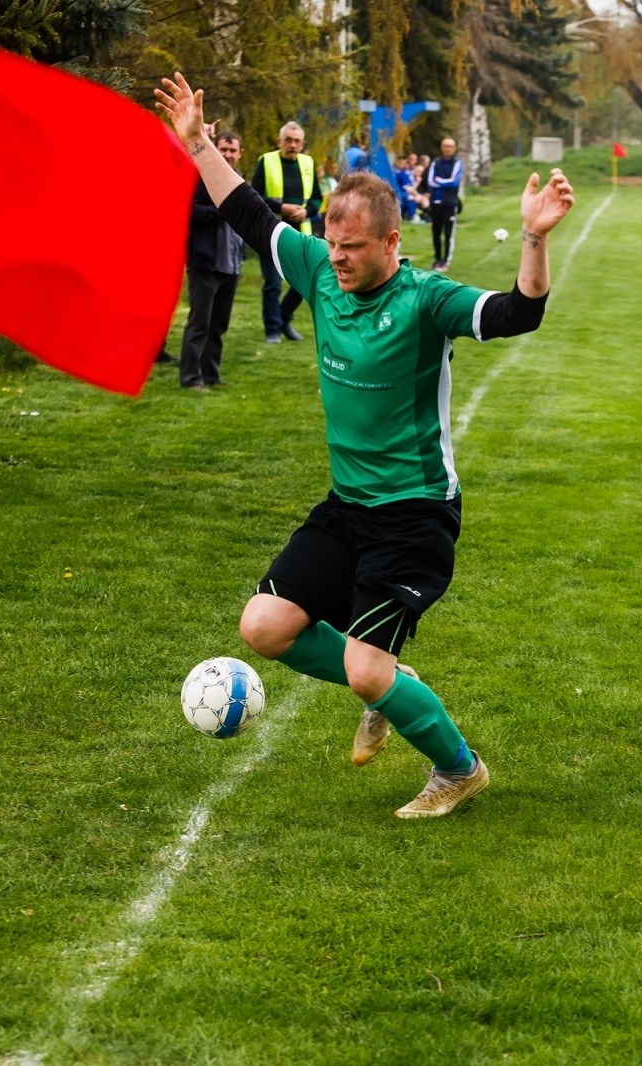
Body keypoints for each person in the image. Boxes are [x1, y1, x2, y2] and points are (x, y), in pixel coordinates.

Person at [155, 72, 574, 818]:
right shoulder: (319, 270)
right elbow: (247, 213)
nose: (338, 259)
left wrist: (535, 238)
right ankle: (389, 682)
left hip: (414, 514)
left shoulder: (426, 299)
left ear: (391, 241)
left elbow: (519, 313)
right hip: (348, 506)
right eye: (331, 244)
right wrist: (196, 146)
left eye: (351, 248)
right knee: (264, 626)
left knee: (363, 668)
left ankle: (459, 769)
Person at [179, 128, 246, 390]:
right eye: (223, 149)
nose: (227, 154)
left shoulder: (239, 181)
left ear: (240, 154)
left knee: (218, 325)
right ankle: (190, 378)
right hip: (205, 263)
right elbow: (189, 211)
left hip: (231, 264)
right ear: (215, 149)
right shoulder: (198, 178)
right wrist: (223, 207)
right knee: (200, 323)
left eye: (232, 150)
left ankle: (211, 375)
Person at [250, 121, 323, 343]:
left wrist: (307, 211)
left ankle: (283, 318)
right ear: (279, 141)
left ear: (302, 143)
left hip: (301, 233)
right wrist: (281, 207)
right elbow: (253, 196)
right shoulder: (266, 161)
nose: (292, 145)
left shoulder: (308, 163)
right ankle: (273, 330)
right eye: (288, 140)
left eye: (297, 141)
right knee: (273, 284)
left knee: (305, 281)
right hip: (271, 232)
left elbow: (317, 198)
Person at [426, 137, 464, 271]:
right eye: (446, 146)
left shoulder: (457, 163)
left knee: (448, 233)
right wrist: (445, 181)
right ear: (442, 148)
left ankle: (446, 261)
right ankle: (437, 259)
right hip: (436, 202)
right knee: (436, 232)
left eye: (451, 146)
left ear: (454, 148)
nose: (448, 149)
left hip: (450, 202)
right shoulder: (435, 163)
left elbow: (454, 182)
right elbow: (430, 181)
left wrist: (440, 181)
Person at [393, 156, 418, 224]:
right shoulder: (395, 172)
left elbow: (408, 186)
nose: (403, 165)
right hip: (397, 192)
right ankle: (411, 216)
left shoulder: (404, 173)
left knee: (412, 198)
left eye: (404, 163)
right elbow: (406, 187)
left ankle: (411, 215)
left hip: (402, 192)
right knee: (411, 198)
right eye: (401, 163)